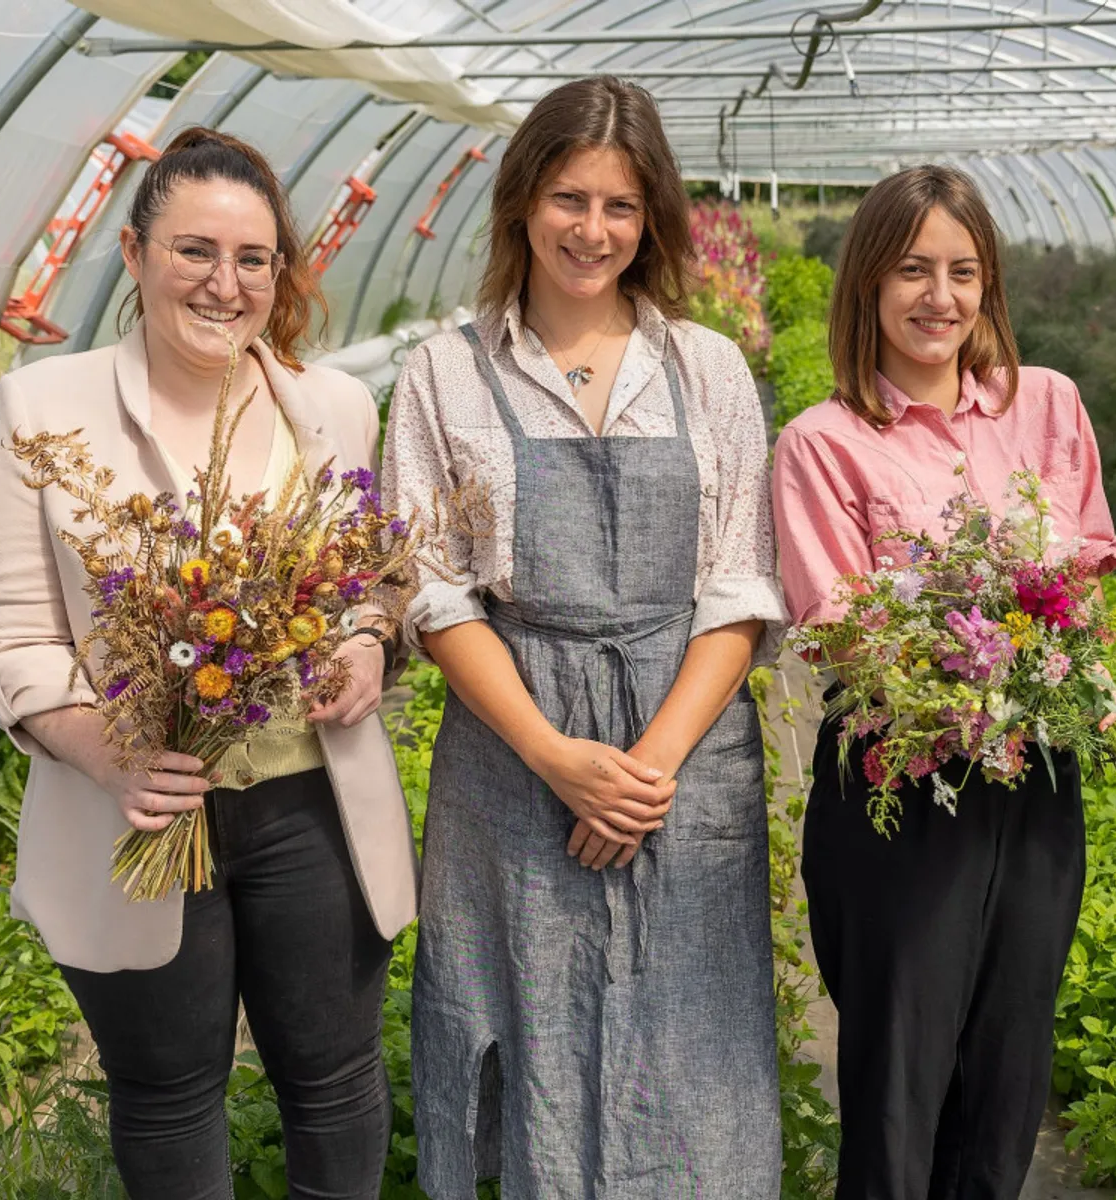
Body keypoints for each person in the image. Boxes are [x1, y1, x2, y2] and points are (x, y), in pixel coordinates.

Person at [0, 128, 417, 1198]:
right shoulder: (44, 412)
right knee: (168, 1094)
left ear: (280, 273)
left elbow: (373, 590)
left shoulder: (335, 407)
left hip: (313, 803)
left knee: (338, 1082)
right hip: (144, 815)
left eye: (253, 259)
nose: (226, 284)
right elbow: (14, 636)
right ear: (133, 256)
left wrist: (366, 645)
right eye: (194, 252)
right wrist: (114, 752)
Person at [382, 76, 784, 1198]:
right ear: (520, 202)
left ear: (652, 217)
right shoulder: (444, 372)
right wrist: (559, 758)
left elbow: (739, 586)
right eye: (569, 198)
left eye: (620, 205)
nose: (592, 230)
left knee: (688, 1034)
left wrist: (644, 770)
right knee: (520, 1019)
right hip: (514, 751)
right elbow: (435, 591)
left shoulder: (704, 369)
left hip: (682, 754)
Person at [770, 164, 1116, 1199]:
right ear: (869, 284)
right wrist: (975, 655)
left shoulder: (1047, 405)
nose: (941, 297)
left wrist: (1055, 656)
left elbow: (1088, 563)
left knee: (1010, 1072)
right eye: (913, 269)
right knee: (898, 1084)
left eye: (964, 271)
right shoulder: (823, 444)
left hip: (1035, 776)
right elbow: (843, 632)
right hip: (899, 785)